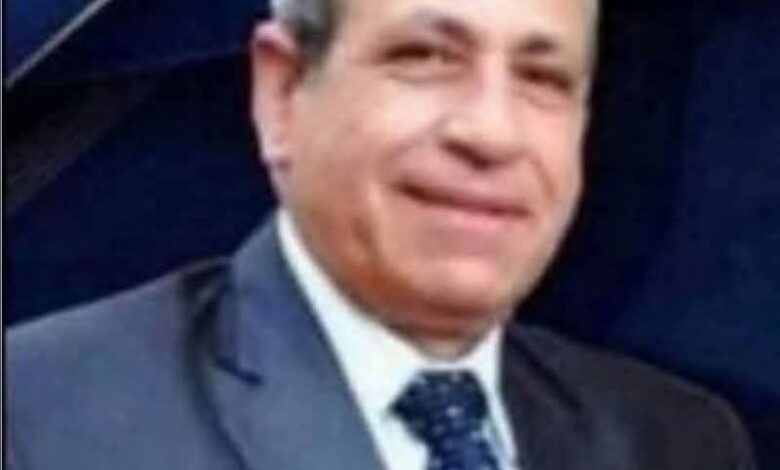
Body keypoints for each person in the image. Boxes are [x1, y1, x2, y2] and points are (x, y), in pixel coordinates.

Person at [7, 0, 757, 468]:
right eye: (424, 57)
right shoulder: (42, 415)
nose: (493, 133)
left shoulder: (676, 440)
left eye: (543, 78)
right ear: (281, 92)